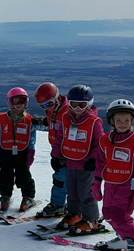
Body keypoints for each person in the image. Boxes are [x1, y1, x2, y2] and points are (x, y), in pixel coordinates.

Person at [92, 99, 134, 251]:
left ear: (132, 121)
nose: (122, 124)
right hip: (111, 184)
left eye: (127, 120)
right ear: (112, 121)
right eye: (118, 120)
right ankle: (123, 240)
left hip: (128, 187)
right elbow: (100, 163)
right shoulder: (105, 140)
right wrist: (96, 183)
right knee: (108, 213)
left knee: (120, 216)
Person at [51, 85, 105, 234]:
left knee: (86, 193)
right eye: (74, 104)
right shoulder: (66, 119)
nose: (77, 108)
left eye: (82, 105)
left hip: (86, 165)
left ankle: (92, 219)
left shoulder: (94, 122)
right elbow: (60, 138)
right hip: (70, 162)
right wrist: (55, 156)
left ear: (89, 104)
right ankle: (74, 214)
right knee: (73, 192)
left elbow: (98, 143)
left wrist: (94, 159)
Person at [0, 87, 36, 215]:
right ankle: (5, 195)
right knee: (5, 175)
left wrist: (31, 152)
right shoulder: (4, 118)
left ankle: (28, 196)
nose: (19, 105)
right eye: (15, 101)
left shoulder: (29, 120)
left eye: (22, 101)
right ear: (10, 103)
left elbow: (32, 137)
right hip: (6, 151)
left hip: (22, 152)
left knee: (23, 175)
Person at [33, 82, 70, 219]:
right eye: (42, 106)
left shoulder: (68, 112)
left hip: (68, 152)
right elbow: (53, 122)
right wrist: (41, 121)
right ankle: (61, 205)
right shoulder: (52, 110)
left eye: (48, 104)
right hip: (56, 150)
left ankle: (63, 206)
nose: (46, 108)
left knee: (64, 179)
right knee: (60, 178)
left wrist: (63, 156)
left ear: (57, 98)